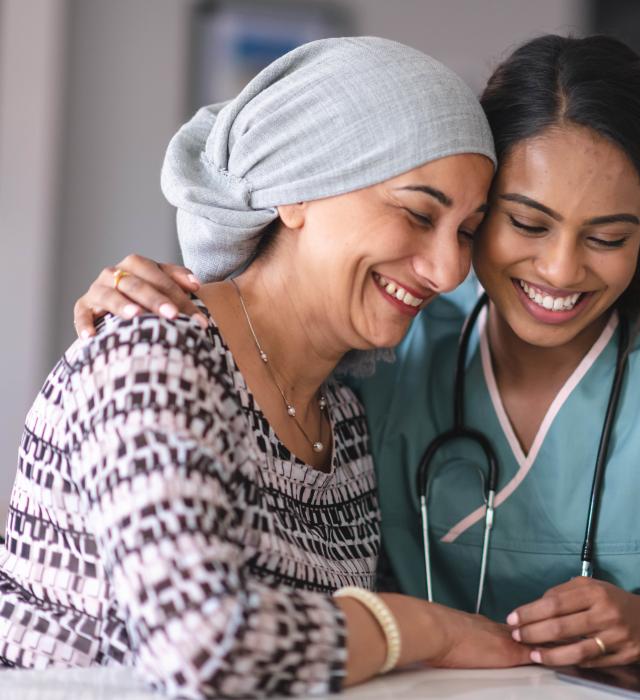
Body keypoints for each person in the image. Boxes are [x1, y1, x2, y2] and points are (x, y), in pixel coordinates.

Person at [77, 34, 640, 670]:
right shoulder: (387, 349)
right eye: (526, 223)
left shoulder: (347, 392)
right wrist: (138, 313)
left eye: (609, 237)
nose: (560, 269)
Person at [0, 37, 531, 697]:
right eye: (417, 213)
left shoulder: (342, 416)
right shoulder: (154, 360)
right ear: (295, 191)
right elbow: (202, 649)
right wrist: (428, 628)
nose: (449, 269)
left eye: (464, 231)